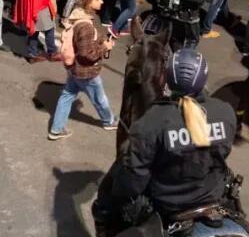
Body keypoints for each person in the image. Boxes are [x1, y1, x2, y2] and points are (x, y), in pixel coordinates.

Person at [97, 49, 237, 234]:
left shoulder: (152, 120)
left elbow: (134, 178)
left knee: (105, 205)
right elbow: (223, 152)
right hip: (213, 195)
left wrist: (117, 195)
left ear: (168, 78)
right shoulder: (225, 112)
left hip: (168, 205)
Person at [47, 0, 118, 140]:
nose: (102, 2)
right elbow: (86, 54)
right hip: (86, 71)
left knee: (66, 96)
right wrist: (105, 47)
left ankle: (56, 129)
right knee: (100, 99)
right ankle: (109, 121)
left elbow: (82, 42)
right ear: (88, 2)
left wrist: (100, 41)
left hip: (74, 68)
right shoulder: (85, 26)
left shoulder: (78, 16)